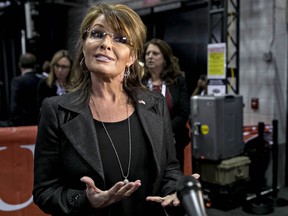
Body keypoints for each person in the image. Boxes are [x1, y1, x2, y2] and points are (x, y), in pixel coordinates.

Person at [33, 3, 199, 216]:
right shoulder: (56, 111)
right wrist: (86, 201)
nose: (106, 43)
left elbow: (169, 169)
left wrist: (175, 191)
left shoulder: (155, 104)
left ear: (131, 57)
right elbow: (44, 190)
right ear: (85, 46)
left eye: (120, 39)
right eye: (97, 34)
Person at [141, 38, 190, 171]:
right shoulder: (139, 82)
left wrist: (164, 131)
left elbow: (183, 112)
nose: (150, 57)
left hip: (173, 140)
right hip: (145, 141)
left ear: (165, 58)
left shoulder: (177, 80)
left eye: (155, 53)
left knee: (171, 177)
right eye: (147, 53)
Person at [8, 52, 43, 126]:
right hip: (40, 121)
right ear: (34, 66)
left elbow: (14, 107)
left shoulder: (17, 81)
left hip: (23, 123)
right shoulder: (41, 80)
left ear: (19, 65)